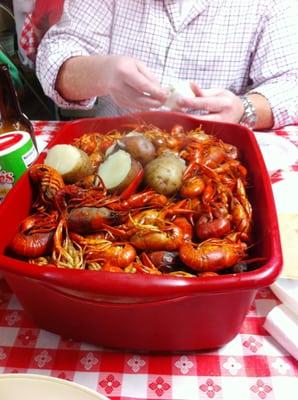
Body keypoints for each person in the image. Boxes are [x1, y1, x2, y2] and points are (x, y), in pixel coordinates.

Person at [36, 0, 298, 130]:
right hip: (115, 148)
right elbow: (55, 56)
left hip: (215, 150)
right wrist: (102, 73)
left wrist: (245, 109)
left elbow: (291, 83)